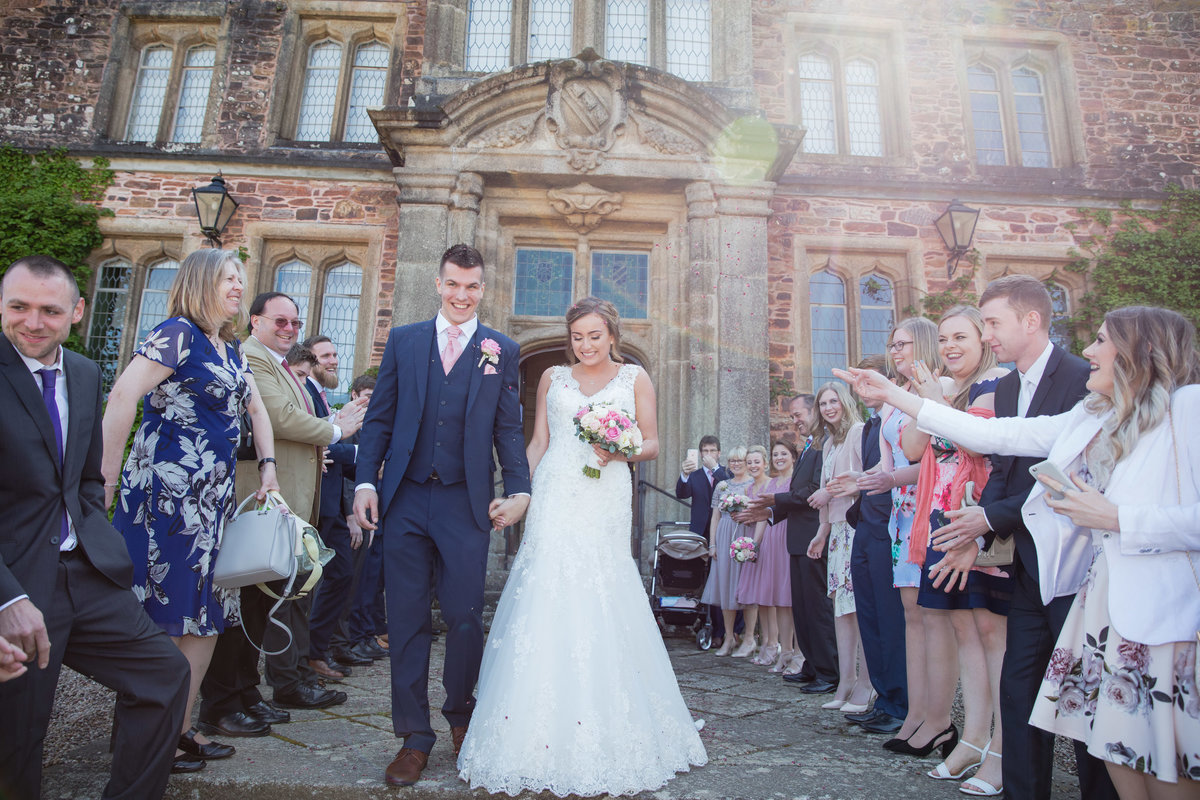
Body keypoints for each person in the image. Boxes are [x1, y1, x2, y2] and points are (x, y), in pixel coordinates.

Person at [837, 304, 1200, 800]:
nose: (1089, 350)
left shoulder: (1190, 408)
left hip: (1164, 617)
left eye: (1100, 340)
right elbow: (996, 434)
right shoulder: (1093, 415)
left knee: (1163, 766)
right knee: (1118, 753)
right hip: (1103, 607)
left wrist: (1117, 519)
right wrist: (893, 393)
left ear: (1143, 351)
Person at [457, 296, 706, 795]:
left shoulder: (635, 378)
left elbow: (652, 442)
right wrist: (519, 491)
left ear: (612, 334)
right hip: (554, 491)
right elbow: (538, 443)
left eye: (594, 336)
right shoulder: (553, 378)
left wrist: (621, 448)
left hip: (604, 490)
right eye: (577, 337)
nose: (585, 345)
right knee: (547, 584)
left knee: (601, 584)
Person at [0, 255, 189, 800]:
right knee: (18, 731)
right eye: (19, 307)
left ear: (77, 312)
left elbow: (85, 479)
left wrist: (93, 541)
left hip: (82, 574)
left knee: (163, 675)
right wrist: (5, 598)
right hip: (14, 582)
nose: (33, 322)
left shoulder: (83, 373)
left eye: (49, 311)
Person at [914, 276, 1107, 800]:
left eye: (992, 323)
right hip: (1024, 557)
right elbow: (1002, 462)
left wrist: (989, 519)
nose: (987, 333)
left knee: (1083, 696)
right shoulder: (1005, 388)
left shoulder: (1080, 380)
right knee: (1019, 688)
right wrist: (982, 529)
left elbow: (1063, 476)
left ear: (1031, 321)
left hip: (1077, 564)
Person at [353, 244, 532, 787]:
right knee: (405, 618)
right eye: (453, 284)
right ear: (438, 283)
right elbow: (380, 417)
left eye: (472, 286)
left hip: (465, 500)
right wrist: (366, 480)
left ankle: (462, 717)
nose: (461, 295)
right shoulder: (405, 341)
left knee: (462, 616)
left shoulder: (502, 348)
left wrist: (520, 488)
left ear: (483, 289)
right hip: (405, 498)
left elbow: (507, 427)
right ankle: (414, 737)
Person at [101, 248, 280, 774]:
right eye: (228, 277)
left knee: (203, 617)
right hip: (164, 495)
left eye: (241, 279)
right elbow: (121, 397)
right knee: (163, 615)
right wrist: (104, 481)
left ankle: (178, 730)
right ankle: (140, 735)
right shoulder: (176, 333)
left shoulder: (230, 349)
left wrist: (267, 466)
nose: (237, 286)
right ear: (201, 281)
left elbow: (257, 408)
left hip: (212, 500)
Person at [199, 292, 367, 738]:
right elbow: (279, 418)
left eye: (295, 322)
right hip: (259, 497)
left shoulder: (276, 360)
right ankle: (220, 703)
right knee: (241, 606)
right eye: (280, 321)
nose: (290, 329)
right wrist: (336, 429)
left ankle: (247, 693)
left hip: (286, 498)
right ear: (255, 321)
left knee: (260, 607)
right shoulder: (252, 356)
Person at [898, 306, 1009, 791]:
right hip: (940, 516)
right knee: (965, 626)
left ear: (983, 339)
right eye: (943, 340)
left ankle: (1001, 751)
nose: (950, 347)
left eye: (960, 337)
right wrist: (930, 398)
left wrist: (929, 399)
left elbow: (976, 444)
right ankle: (973, 739)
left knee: (992, 630)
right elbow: (913, 447)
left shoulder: (995, 383)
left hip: (980, 516)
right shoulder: (949, 387)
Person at [830, 355, 909, 734]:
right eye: (857, 385)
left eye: (867, 382)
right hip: (866, 523)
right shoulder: (871, 426)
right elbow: (872, 474)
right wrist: (856, 484)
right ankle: (884, 697)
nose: (860, 391)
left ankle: (900, 704)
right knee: (870, 617)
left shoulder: (901, 418)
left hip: (890, 527)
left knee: (891, 621)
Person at [744, 394, 837, 693]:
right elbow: (796, 496)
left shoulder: (824, 447)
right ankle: (811, 664)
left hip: (814, 537)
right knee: (802, 608)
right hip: (796, 538)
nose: (795, 420)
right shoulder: (809, 446)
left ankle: (828, 671)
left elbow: (812, 492)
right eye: (793, 416)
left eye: (799, 414)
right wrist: (767, 513)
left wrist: (775, 499)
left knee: (817, 607)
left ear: (814, 412)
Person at [875, 318, 940, 743]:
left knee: (933, 617)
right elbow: (887, 462)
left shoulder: (939, 389)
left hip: (928, 506)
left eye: (904, 344)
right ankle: (914, 714)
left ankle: (936, 716)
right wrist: (856, 481)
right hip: (899, 513)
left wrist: (892, 478)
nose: (896, 351)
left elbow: (938, 457)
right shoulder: (893, 401)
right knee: (910, 615)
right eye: (892, 343)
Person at [300, 335, 369, 679]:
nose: (333, 361)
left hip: (332, 502)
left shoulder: (324, 398)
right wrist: (359, 453)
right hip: (314, 501)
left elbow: (331, 450)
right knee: (312, 583)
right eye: (325, 355)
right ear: (310, 360)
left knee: (340, 576)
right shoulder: (306, 394)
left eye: (335, 355)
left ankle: (316, 651)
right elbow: (321, 445)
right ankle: (308, 657)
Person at [808, 382, 871, 712]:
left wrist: (831, 495)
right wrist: (822, 531)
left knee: (858, 608)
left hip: (856, 528)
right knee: (841, 610)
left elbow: (869, 479)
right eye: (822, 404)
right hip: (836, 532)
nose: (829, 407)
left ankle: (866, 683)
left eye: (833, 401)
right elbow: (824, 492)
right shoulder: (831, 442)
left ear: (845, 402)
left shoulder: (859, 432)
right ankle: (845, 681)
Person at [736, 441, 795, 672]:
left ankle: (784, 647)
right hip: (769, 535)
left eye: (784, 454)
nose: (779, 457)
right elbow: (763, 515)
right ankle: (773, 646)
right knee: (768, 595)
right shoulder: (772, 484)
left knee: (784, 595)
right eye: (776, 454)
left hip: (784, 536)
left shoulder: (785, 482)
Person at [676, 435, 735, 647]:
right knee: (704, 582)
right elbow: (681, 493)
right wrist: (684, 474)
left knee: (722, 581)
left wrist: (717, 471)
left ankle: (724, 631)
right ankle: (704, 623)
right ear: (699, 454)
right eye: (705, 451)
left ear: (719, 453)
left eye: (712, 451)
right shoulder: (695, 475)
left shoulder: (727, 473)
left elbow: (731, 488)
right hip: (700, 534)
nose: (708, 455)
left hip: (724, 532)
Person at [700, 446, 753, 656]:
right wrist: (712, 545)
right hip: (723, 537)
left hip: (745, 535)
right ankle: (729, 638)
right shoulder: (722, 486)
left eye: (740, 460)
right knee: (725, 588)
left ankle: (749, 638)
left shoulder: (753, 485)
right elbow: (715, 517)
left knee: (749, 588)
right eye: (732, 461)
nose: (736, 464)